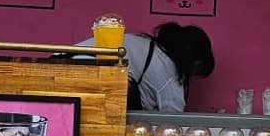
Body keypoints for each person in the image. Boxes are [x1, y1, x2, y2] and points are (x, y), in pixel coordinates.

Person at [79, 22, 215, 112]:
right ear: (194, 61)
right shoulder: (168, 68)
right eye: (196, 69)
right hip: (93, 79)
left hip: (68, 64)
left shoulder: (141, 43)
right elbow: (173, 119)